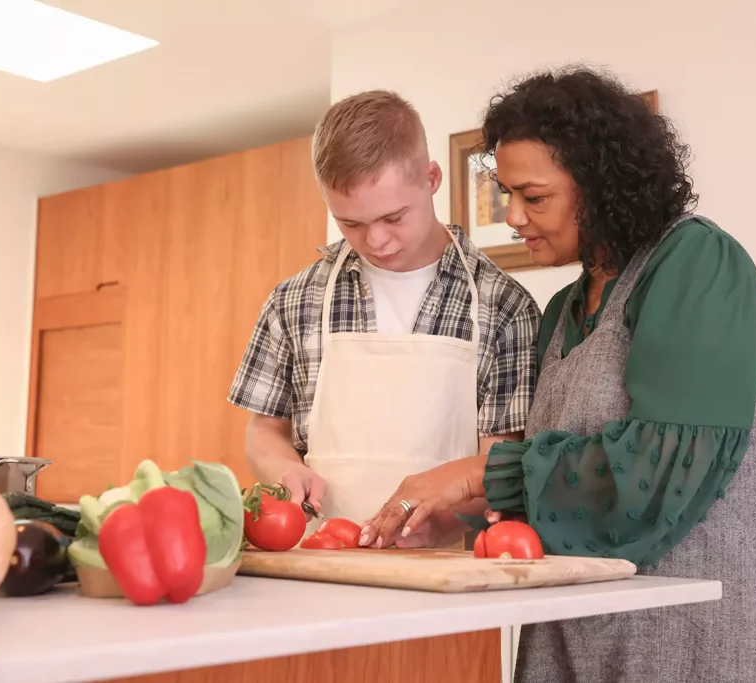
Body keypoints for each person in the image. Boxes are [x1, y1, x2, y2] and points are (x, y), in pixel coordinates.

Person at [361, 68, 756, 682]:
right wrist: (459, 522)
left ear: (602, 186)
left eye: (534, 196)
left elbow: (660, 470)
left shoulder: (698, 266)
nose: (513, 217)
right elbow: (558, 487)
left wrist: (476, 473)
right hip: (581, 636)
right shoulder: (561, 311)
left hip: (710, 634)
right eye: (507, 194)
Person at [228, 90, 541, 548]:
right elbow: (265, 431)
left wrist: (450, 518)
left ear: (431, 179)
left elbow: (500, 458)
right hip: (321, 558)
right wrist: (285, 469)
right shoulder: (294, 300)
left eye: (394, 216)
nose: (376, 240)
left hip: (449, 575)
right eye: (350, 223)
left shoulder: (505, 307)